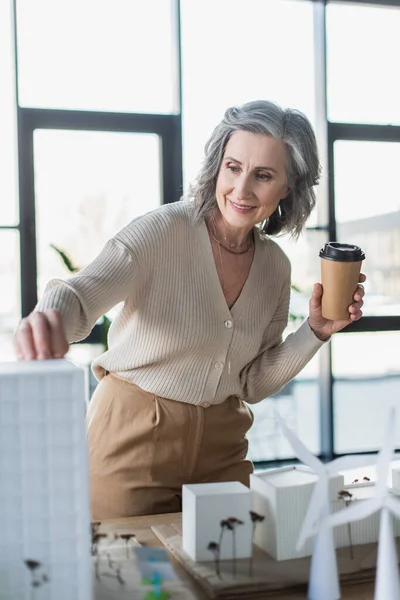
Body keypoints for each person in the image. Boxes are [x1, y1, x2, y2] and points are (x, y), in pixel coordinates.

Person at [14, 100, 365, 519]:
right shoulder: (161, 231)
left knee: (231, 576)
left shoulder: (275, 267)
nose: (241, 189)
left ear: (288, 187)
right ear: (217, 164)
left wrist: (316, 330)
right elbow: (79, 293)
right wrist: (49, 315)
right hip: (131, 442)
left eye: (264, 175)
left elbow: (251, 382)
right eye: (233, 167)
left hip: (223, 450)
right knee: (127, 578)